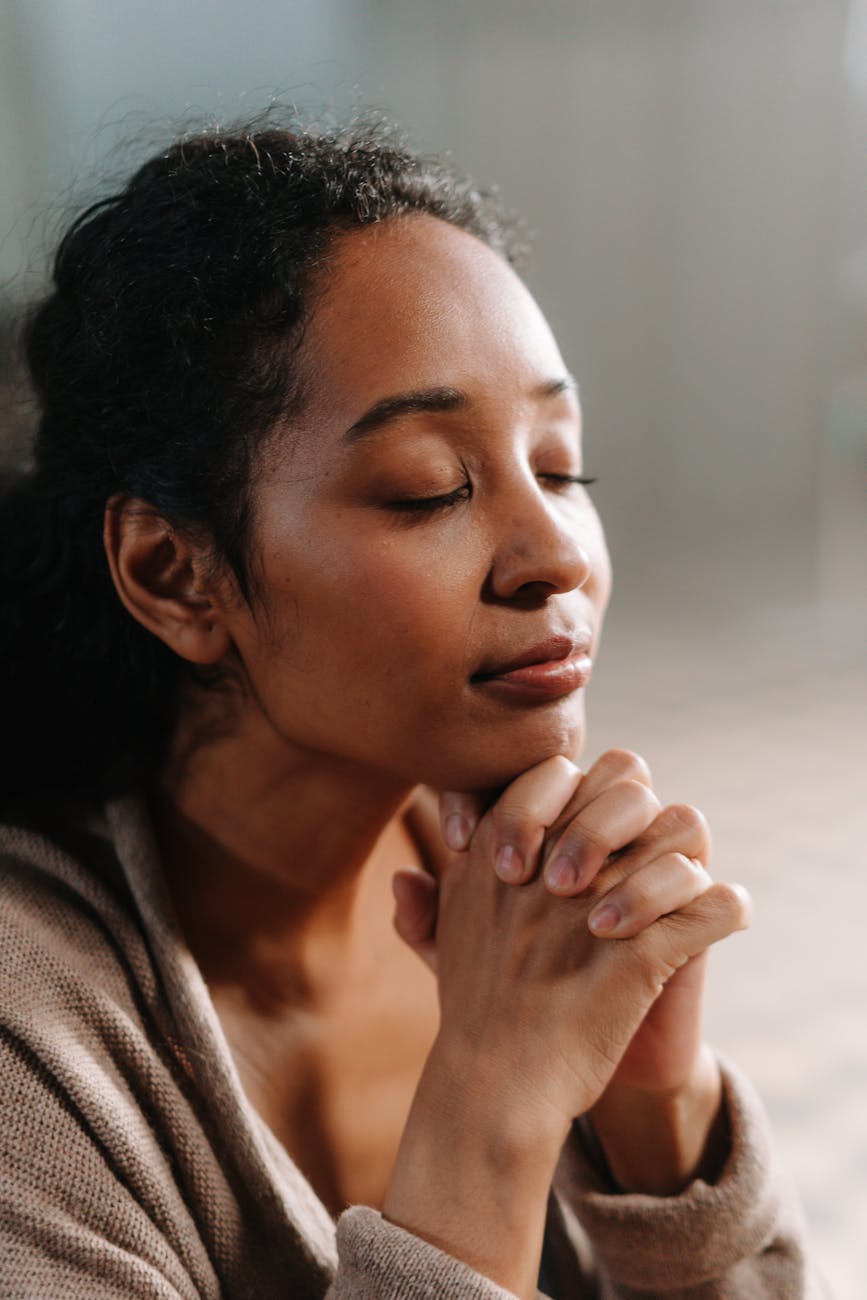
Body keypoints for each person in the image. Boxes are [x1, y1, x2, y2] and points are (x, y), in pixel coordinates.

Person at [0, 117, 825, 1299]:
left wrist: (656, 1111)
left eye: (560, 463)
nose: (556, 555)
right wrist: (490, 1105)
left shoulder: (524, 897)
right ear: (176, 573)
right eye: (428, 487)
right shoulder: (30, 1053)